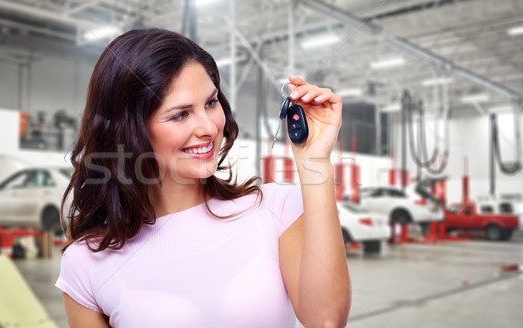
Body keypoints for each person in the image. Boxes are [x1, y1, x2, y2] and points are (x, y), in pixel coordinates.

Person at [56, 28, 350, 328]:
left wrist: (315, 161)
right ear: (130, 132)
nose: (209, 127)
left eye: (211, 103)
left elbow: (326, 321)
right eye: (180, 114)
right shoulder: (86, 262)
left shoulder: (276, 210)